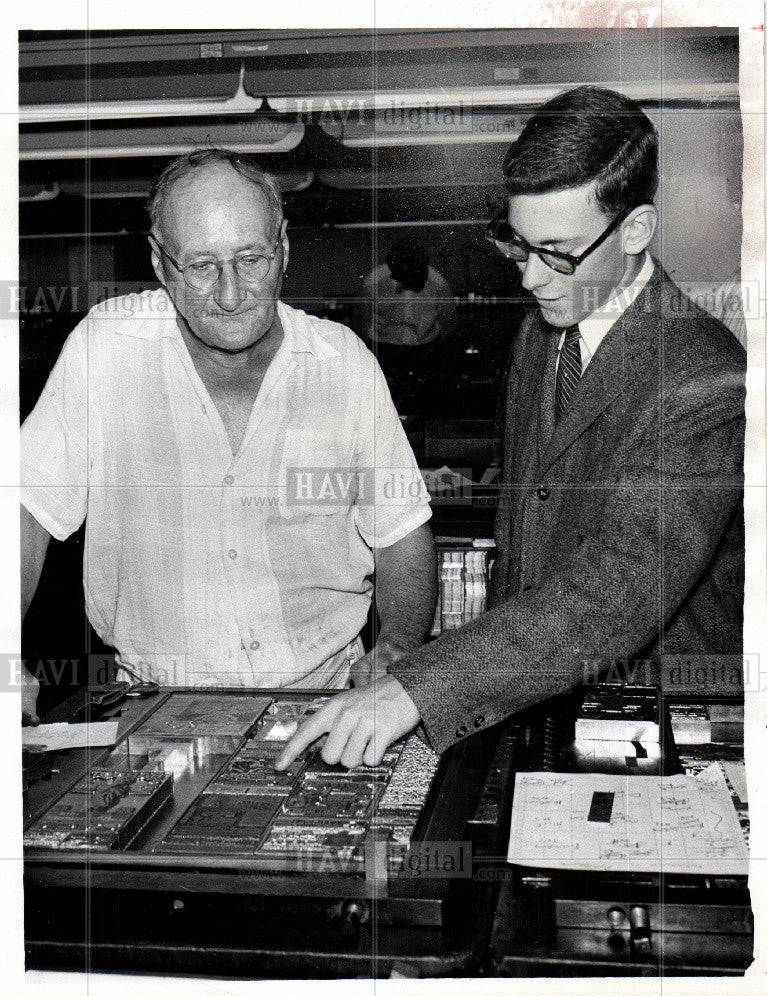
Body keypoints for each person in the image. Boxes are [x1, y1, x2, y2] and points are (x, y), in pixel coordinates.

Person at [276, 85, 745, 771]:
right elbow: (525, 538)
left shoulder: (703, 379)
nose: (527, 278)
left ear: (637, 230)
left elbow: (619, 587)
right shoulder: (541, 333)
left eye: (556, 252)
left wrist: (424, 687)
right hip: (541, 700)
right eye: (517, 245)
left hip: (667, 729)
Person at [20, 148, 436, 724]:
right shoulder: (106, 349)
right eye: (202, 266)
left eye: (251, 259)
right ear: (161, 263)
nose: (232, 293)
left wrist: (398, 648)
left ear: (283, 248)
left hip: (325, 698)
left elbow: (401, 534)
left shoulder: (342, 363)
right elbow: (25, 511)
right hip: (154, 705)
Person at [356, 236, 457, 351]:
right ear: (392, 268)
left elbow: (449, 322)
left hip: (426, 347)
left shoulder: (438, 284)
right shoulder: (373, 283)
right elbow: (361, 322)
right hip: (384, 347)